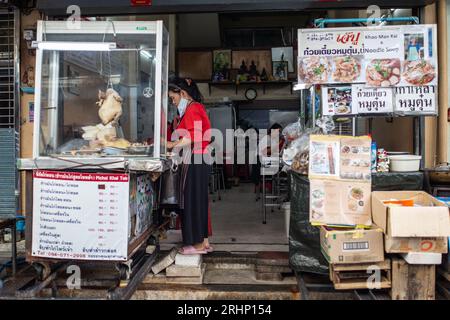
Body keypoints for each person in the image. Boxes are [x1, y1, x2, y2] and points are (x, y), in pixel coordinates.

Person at [167, 77, 212, 255]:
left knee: (193, 200)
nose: (172, 102)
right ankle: (204, 241)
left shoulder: (193, 109)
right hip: (198, 158)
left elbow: (193, 136)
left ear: (183, 93)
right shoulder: (194, 108)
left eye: (173, 98)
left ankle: (198, 245)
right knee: (198, 200)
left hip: (197, 158)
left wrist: (171, 145)